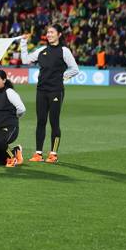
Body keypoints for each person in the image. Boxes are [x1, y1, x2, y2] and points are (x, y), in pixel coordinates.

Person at [19, 25, 79, 163]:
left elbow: (75, 69)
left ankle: (53, 153)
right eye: (48, 32)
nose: (49, 34)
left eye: (52, 32)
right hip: (41, 90)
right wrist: (23, 43)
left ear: (59, 34)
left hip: (56, 91)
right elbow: (25, 60)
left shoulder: (64, 51)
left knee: (54, 122)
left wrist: (63, 76)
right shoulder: (42, 50)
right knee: (41, 121)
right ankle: (38, 154)